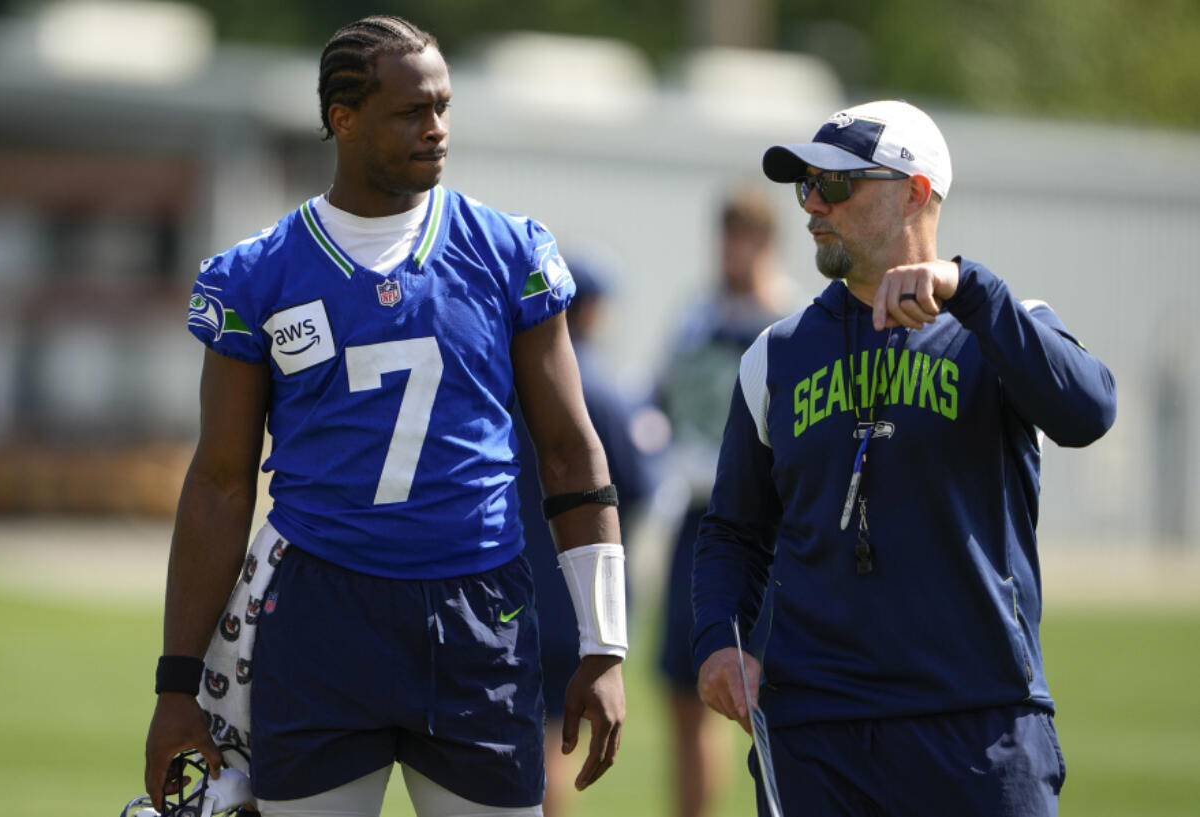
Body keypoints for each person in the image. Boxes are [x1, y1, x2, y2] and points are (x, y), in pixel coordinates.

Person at [141, 16, 626, 817]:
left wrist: (604, 641)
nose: (436, 129)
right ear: (343, 118)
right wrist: (175, 686)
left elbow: (573, 452)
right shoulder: (256, 275)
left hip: (480, 612)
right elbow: (222, 484)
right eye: (411, 111)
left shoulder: (508, 251)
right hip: (323, 610)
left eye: (443, 106)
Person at [693, 99, 1117, 816]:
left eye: (834, 185)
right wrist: (716, 640)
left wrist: (972, 291)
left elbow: (1089, 411)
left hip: (978, 725)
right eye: (804, 186)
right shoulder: (774, 354)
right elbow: (733, 530)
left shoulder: (1006, 326)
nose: (810, 208)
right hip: (814, 732)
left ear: (915, 191)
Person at [653, 188, 791, 817]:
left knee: (771, 703)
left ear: (766, 244)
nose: (731, 251)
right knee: (686, 693)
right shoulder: (696, 317)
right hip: (698, 519)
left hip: (770, 529)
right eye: (725, 235)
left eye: (744, 237)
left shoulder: (789, 322)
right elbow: (658, 399)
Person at [511, 256, 653, 817]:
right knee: (554, 745)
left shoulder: (507, 380)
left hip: (508, 587)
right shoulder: (601, 387)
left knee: (511, 742)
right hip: (577, 595)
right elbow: (640, 486)